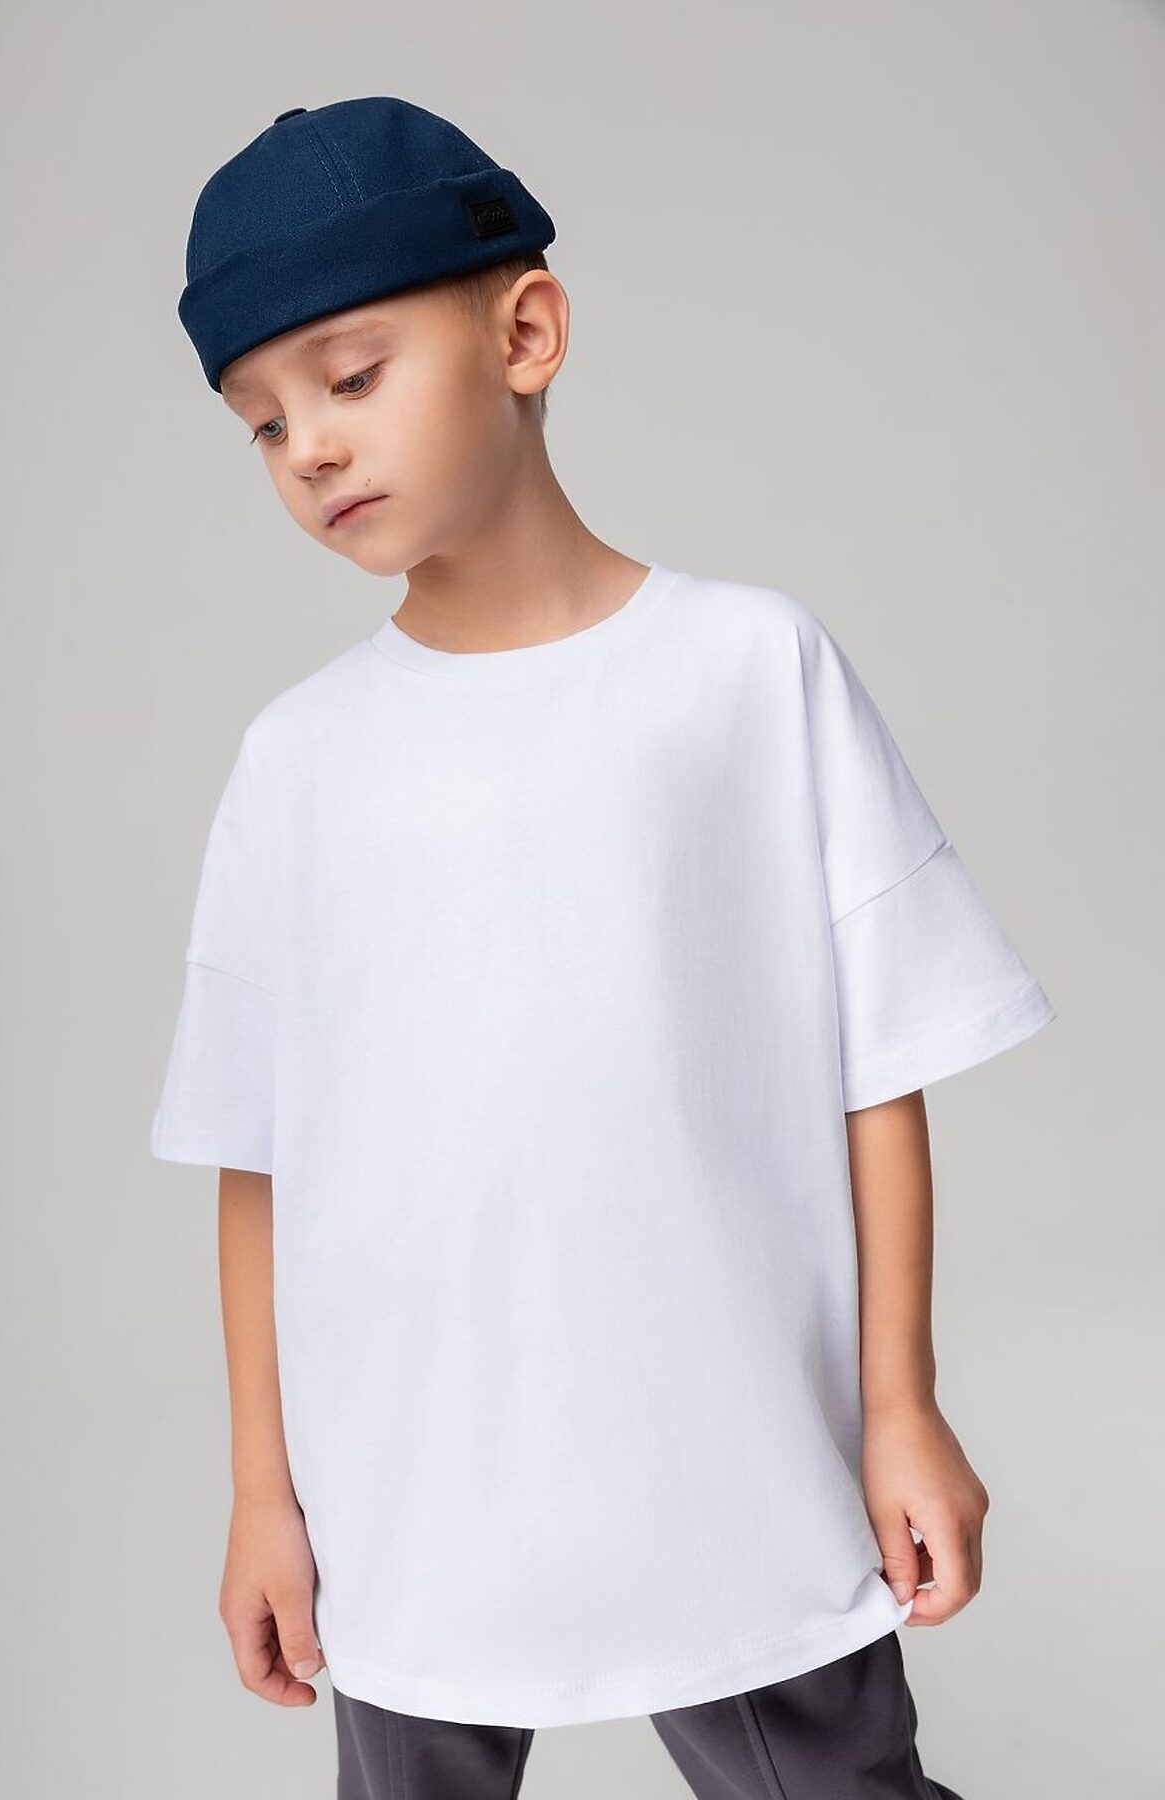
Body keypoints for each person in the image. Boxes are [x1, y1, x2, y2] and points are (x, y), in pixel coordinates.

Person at [150, 95, 1056, 1799]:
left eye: (351, 378)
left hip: (728, 1451)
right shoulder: (300, 761)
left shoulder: (748, 673)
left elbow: (877, 1068)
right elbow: (257, 1155)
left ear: (527, 333)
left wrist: (900, 1405)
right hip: (407, 1479)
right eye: (262, 424)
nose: (311, 449)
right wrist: (264, 1493)